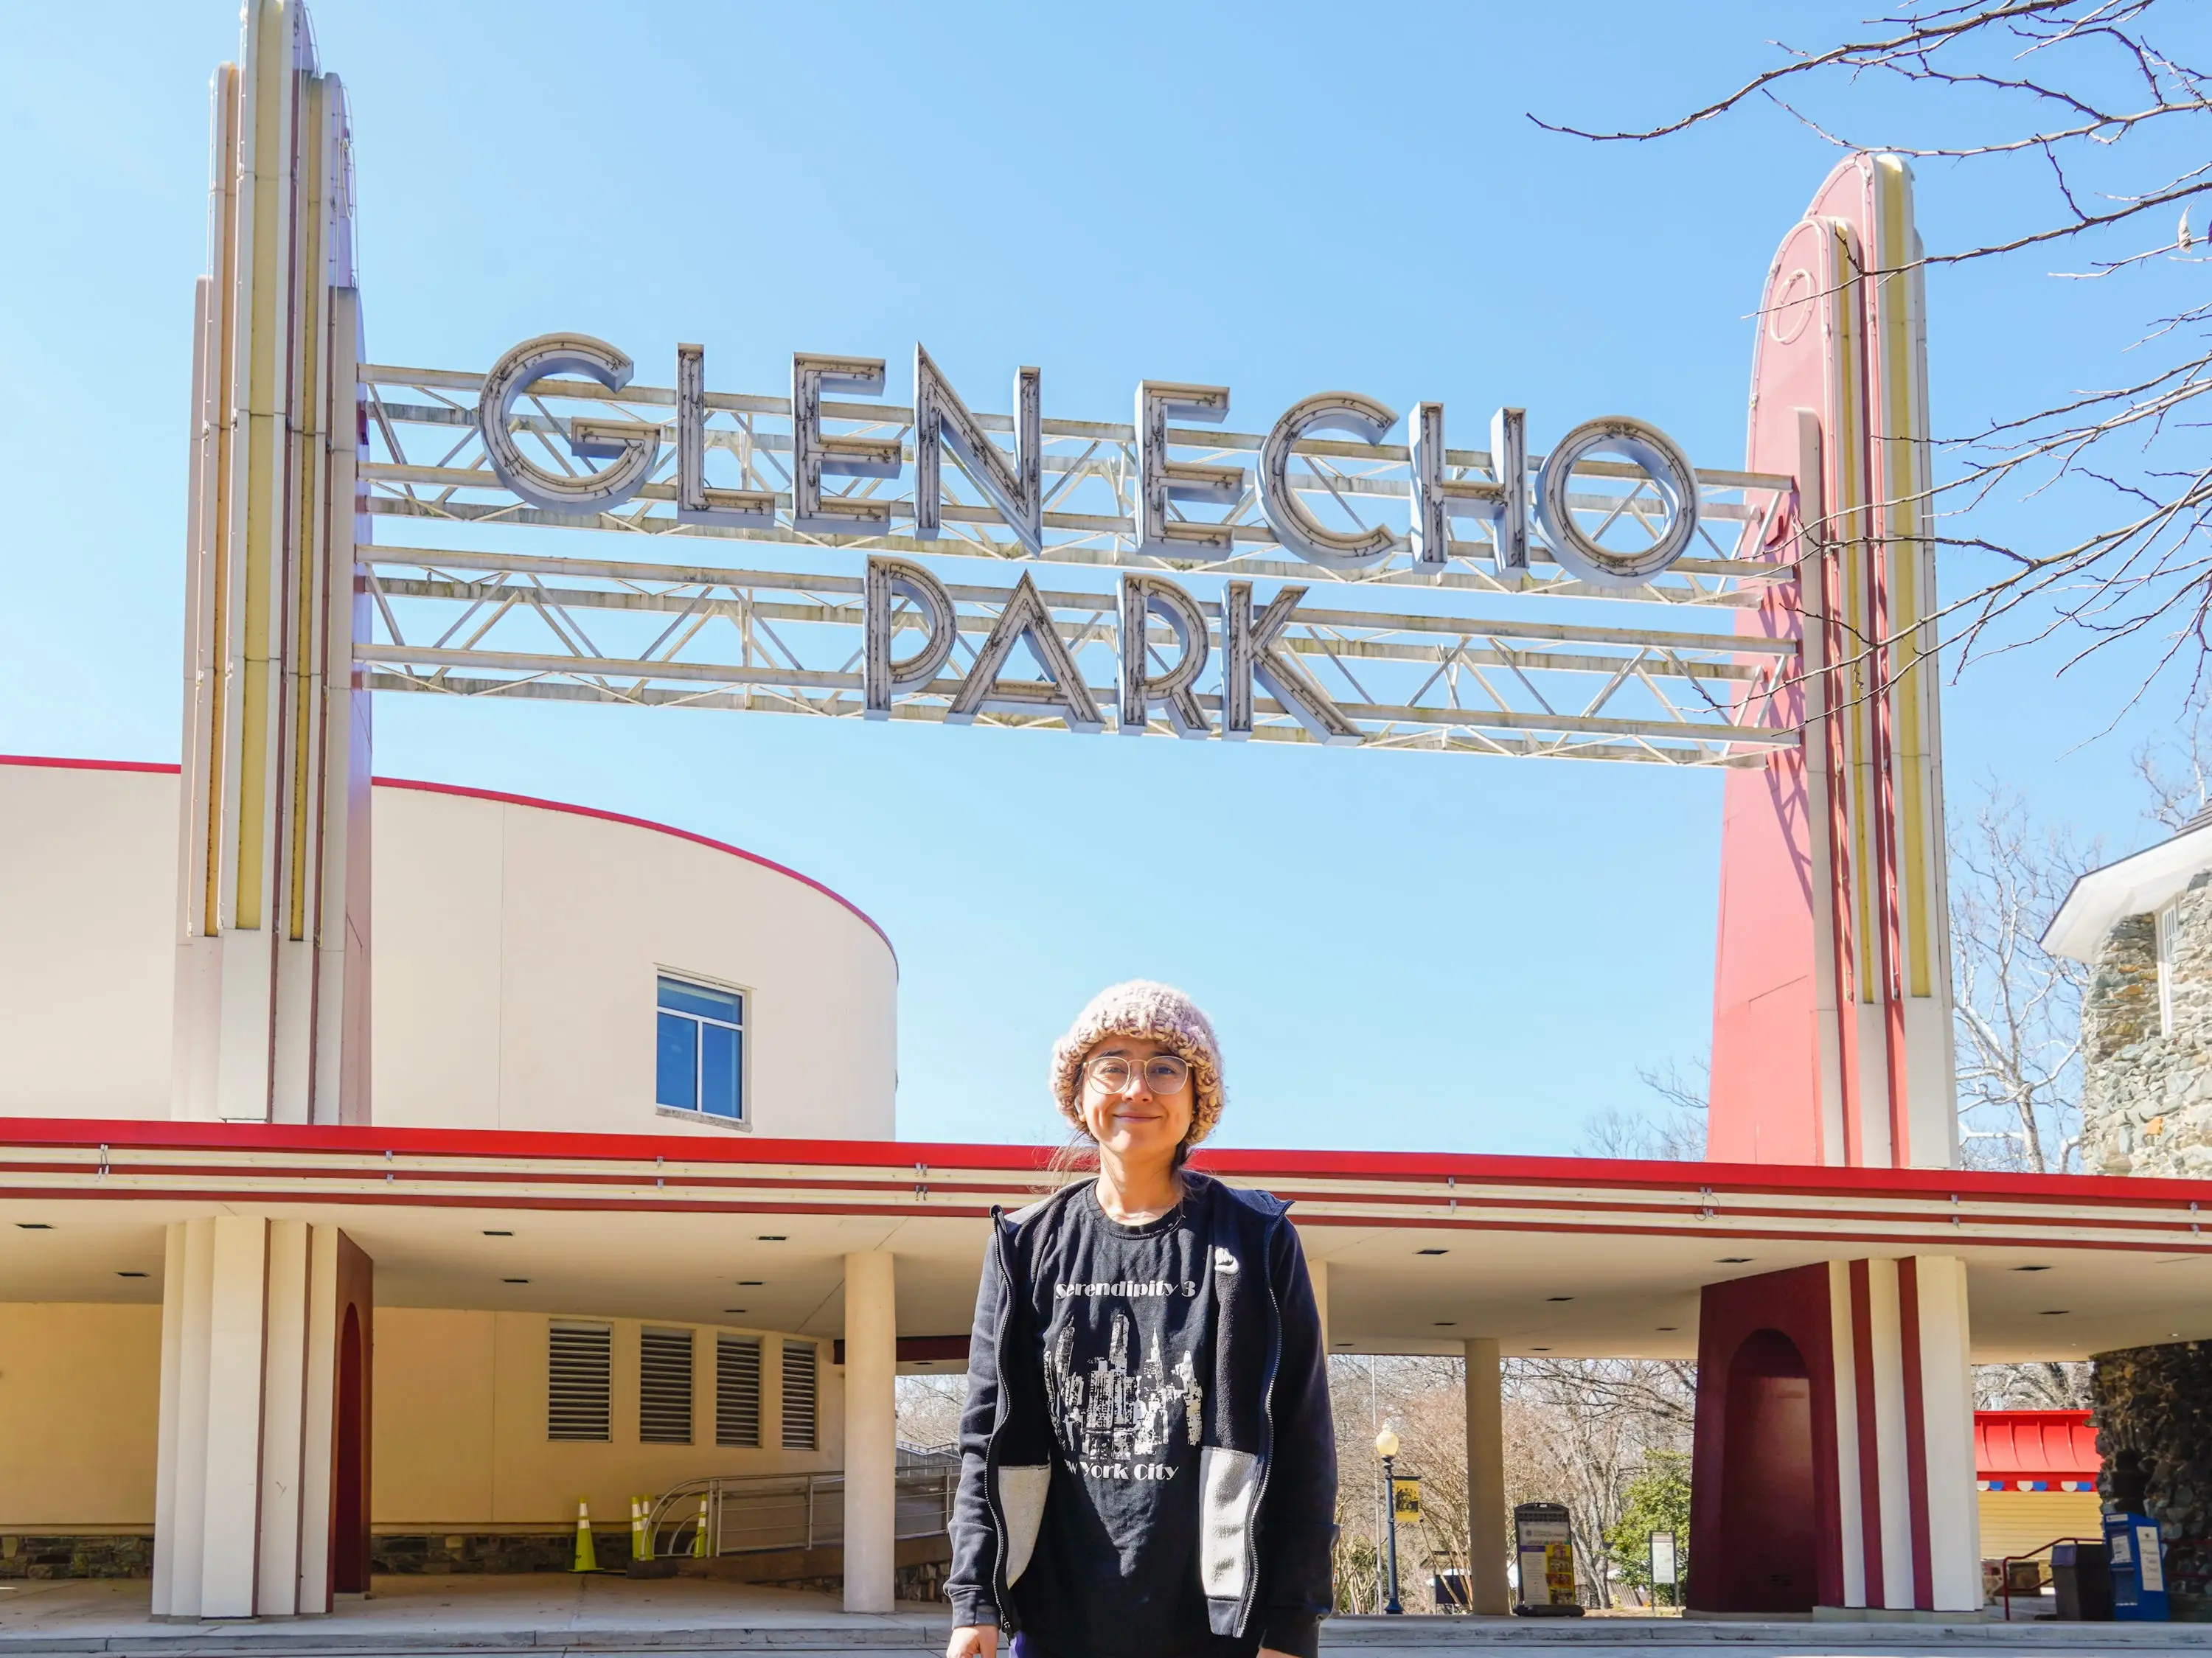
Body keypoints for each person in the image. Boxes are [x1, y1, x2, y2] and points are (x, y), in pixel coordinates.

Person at [945, 981, 1335, 1658]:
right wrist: (973, 1601)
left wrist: (1290, 1625)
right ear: (1080, 1094)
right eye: (1113, 1065)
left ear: (1197, 1097)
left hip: (1217, 1632)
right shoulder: (1024, 1244)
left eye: (1164, 1066)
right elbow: (986, 1436)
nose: (1138, 1088)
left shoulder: (1257, 1238)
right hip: (1054, 1628)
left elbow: (1304, 1443)